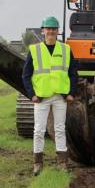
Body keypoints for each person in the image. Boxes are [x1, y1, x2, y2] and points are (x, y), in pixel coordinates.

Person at [22, 16, 77, 176]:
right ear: (43, 31)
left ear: (57, 31)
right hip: (41, 97)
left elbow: (73, 72)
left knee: (60, 129)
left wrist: (71, 92)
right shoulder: (35, 50)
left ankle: (62, 162)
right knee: (38, 130)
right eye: (48, 28)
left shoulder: (66, 49)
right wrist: (31, 94)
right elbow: (26, 74)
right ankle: (37, 163)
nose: (51, 31)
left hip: (60, 97)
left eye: (54, 29)